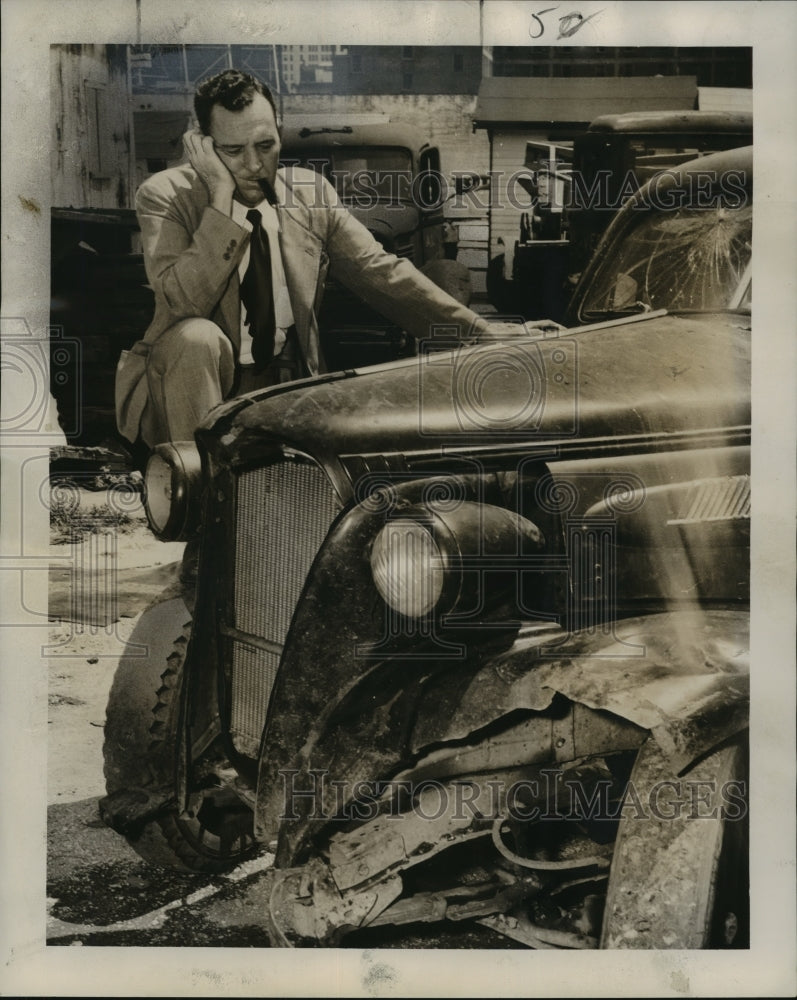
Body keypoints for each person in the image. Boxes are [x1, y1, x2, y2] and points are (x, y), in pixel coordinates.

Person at [115, 69, 493, 448]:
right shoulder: (164, 196)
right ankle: (198, 490)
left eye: (265, 145)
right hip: (189, 385)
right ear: (203, 145)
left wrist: (482, 334)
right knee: (196, 337)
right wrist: (220, 201)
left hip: (281, 384)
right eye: (232, 150)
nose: (253, 164)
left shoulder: (310, 194)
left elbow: (382, 274)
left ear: (280, 131)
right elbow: (182, 302)